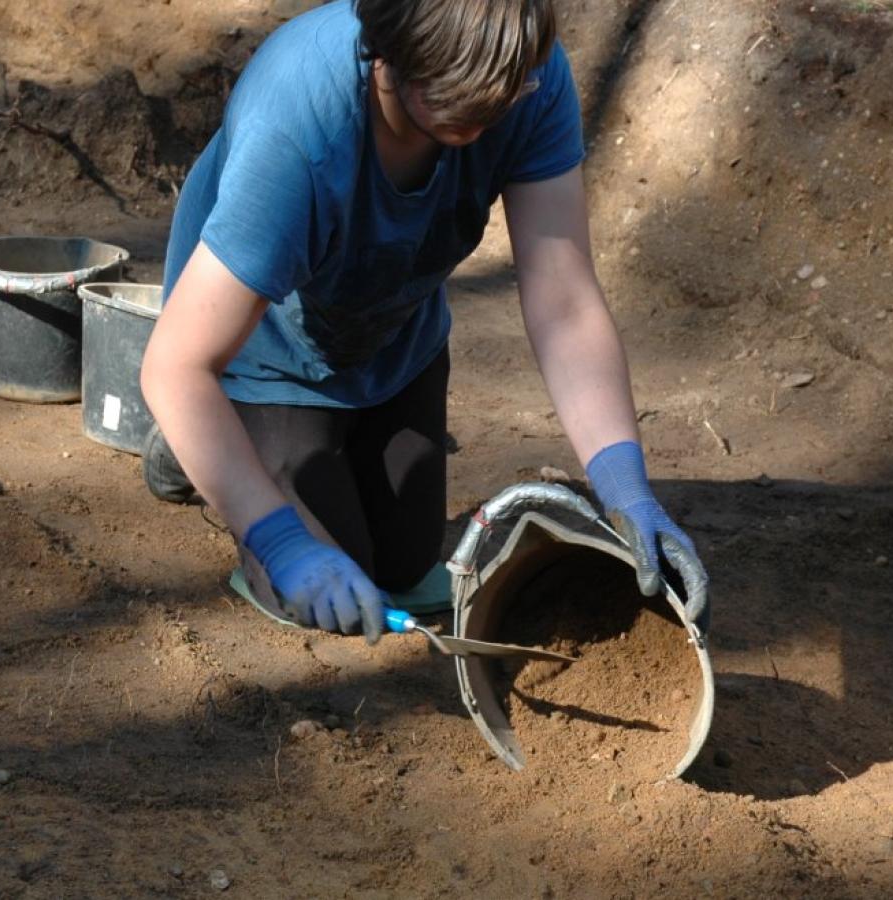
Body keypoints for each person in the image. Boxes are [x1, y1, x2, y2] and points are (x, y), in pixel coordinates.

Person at [140, 0, 708, 644]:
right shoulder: (298, 128)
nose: (486, 119)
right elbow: (176, 366)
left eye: (502, 99)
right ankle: (199, 440)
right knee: (333, 583)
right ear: (387, 54)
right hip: (257, 345)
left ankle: (288, 446)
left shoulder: (523, 72)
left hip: (391, 329)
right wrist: (280, 543)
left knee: (407, 566)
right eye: (455, 100)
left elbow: (565, 299)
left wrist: (626, 489)